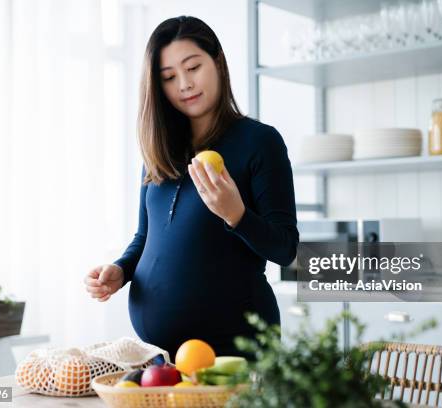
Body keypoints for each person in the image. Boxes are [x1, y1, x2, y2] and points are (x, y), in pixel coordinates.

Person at [83, 16, 298, 361]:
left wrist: (236, 214)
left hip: (234, 351)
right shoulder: (159, 152)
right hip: (161, 358)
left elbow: (286, 248)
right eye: (169, 77)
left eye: (193, 67)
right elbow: (145, 237)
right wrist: (120, 271)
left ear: (217, 62)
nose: (184, 84)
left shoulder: (260, 142)